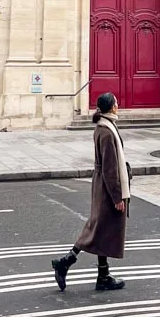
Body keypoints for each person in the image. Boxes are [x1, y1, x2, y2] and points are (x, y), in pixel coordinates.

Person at [52, 92, 131, 292]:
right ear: (111, 107)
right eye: (116, 102)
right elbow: (110, 167)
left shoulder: (105, 126)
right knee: (97, 229)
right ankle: (66, 262)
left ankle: (102, 275)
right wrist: (117, 196)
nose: (118, 105)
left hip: (102, 184)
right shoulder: (106, 131)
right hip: (106, 187)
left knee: (100, 228)